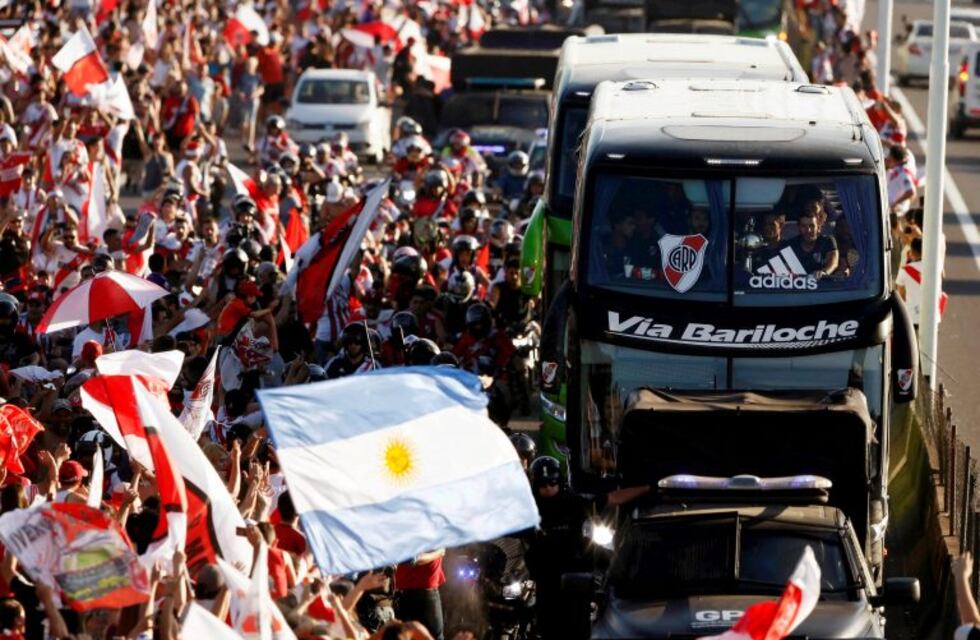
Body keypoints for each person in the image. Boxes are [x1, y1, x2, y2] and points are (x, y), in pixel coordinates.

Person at [785, 209, 838, 278]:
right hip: (798, 285)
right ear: (799, 227)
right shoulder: (791, 244)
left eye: (812, 226)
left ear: (818, 227)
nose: (808, 230)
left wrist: (824, 272)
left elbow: (833, 263)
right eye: (804, 226)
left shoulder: (828, 241)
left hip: (822, 285)